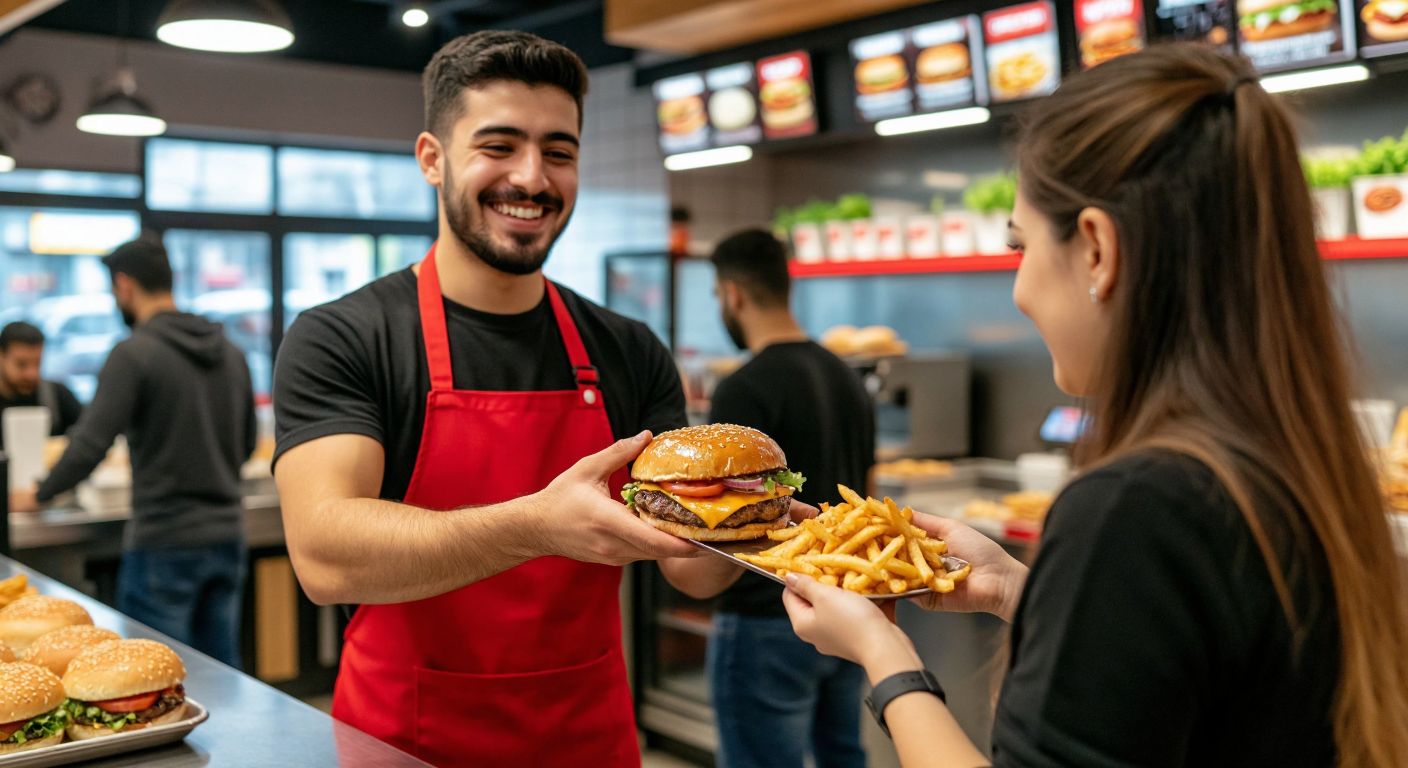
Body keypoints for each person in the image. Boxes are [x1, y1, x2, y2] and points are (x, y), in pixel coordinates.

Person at [779, 44, 1408, 768]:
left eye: (1020, 246)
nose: (1018, 291)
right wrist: (1022, 591)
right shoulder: (1299, 461)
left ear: (1097, 249)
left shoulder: (1134, 505)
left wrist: (881, 653)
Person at [271, 31, 744, 767]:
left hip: (586, 736)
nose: (532, 178)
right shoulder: (345, 337)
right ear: (432, 158)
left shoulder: (627, 347)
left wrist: (748, 523)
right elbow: (326, 556)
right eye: (499, 145)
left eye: (559, 152)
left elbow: (691, 570)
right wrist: (536, 526)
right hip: (407, 741)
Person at [9, 236, 257, 670]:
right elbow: (248, 443)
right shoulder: (232, 352)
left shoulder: (134, 353)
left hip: (164, 540)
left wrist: (38, 494)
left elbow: (90, 442)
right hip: (228, 535)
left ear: (124, 285)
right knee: (225, 676)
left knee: (150, 678)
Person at [697, 229, 874, 768]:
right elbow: (870, 492)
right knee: (844, 755)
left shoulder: (743, 388)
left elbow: (724, 515)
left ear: (733, 294)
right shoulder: (846, 374)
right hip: (845, 605)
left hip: (763, 618)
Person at [0, 321, 82, 451]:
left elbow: (90, 434)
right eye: (22, 364)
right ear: (2, 356)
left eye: (37, 364)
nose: (31, 374)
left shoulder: (57, 395)